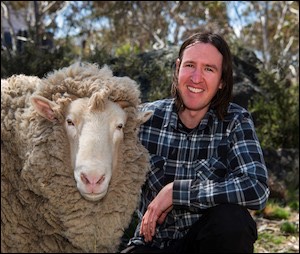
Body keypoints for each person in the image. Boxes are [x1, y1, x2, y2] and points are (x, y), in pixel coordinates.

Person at [121, 32, 269, 253]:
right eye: (190, 65)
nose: (196, 78)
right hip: (152, 244)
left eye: (209, 69)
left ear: (221, 81)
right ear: (178, 68)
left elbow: (256, 188)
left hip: (208, 243)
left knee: (232, 221)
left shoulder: (235, 121)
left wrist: (176, 192)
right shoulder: (144, 120)